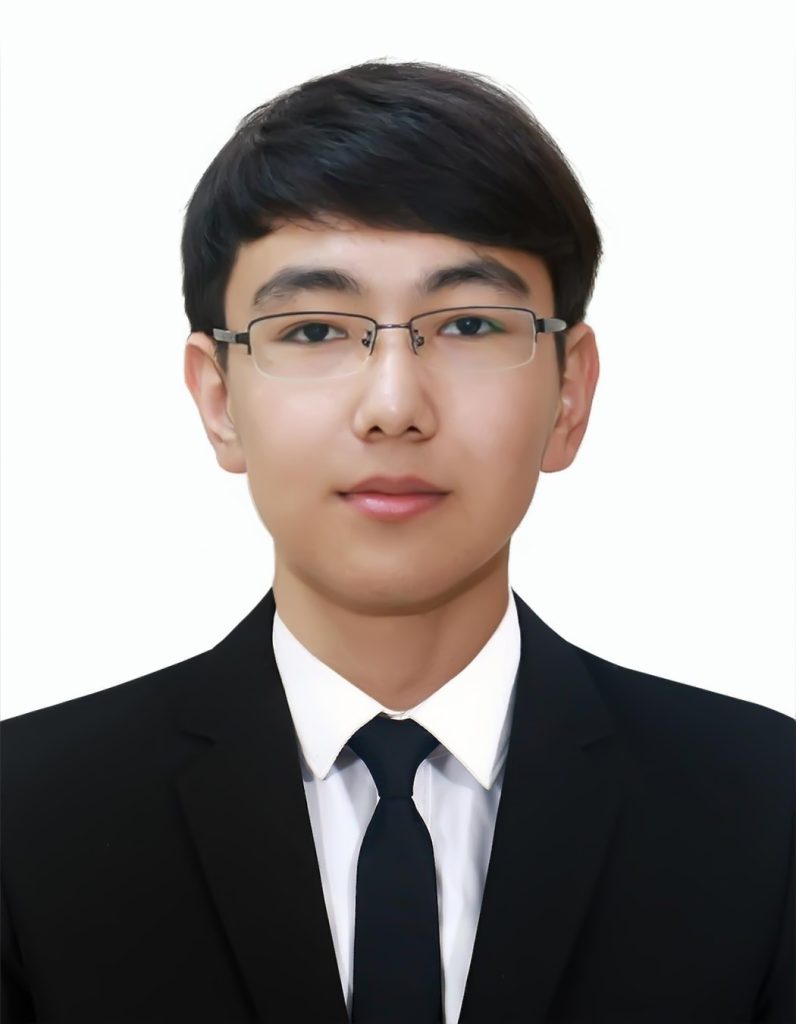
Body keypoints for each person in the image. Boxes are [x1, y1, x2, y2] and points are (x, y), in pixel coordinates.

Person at [1, 58, 793, 1024]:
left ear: (569, 395)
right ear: (218, 400)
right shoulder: (28, 817)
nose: (393, 407)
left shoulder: (764, 811)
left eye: (465, 322)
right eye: (313, 331)